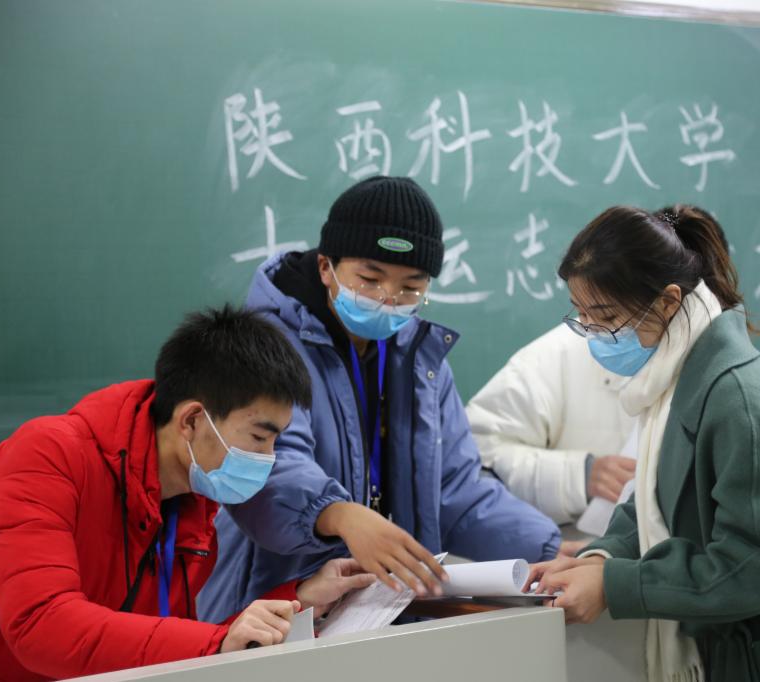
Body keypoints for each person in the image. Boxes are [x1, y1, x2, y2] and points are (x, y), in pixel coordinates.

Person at [528, 205, 760, 681]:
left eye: (604, 317)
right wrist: (601, 556)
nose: (593, 333)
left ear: (668, 301)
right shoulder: (676, 381)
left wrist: (615, 584)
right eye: (581, 315)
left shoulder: (738, 404)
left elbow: (751, 566)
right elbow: (655, 503)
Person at [200, 176, 560, 620]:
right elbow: (266, 467)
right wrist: (338, 514)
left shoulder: (422, 361)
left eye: (411, 287)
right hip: (275, 605)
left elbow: (455, 490)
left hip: (375, 607)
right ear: (326, 267)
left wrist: (549, 548)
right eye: (370, 280)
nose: (389, 300)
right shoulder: (264, 344)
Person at [0, 306, 376, 681]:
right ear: (192, 420)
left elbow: (167, 647)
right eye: (259, 437)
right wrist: (216, 643)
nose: (269, 457)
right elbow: (40, 625)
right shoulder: (47, 456)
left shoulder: (193, 505)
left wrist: (300, 600)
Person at [466, 324, 636, 528]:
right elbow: (477, 452)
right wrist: (578, 477)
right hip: (573, 541)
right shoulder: (549, 358)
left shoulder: (672, 360)